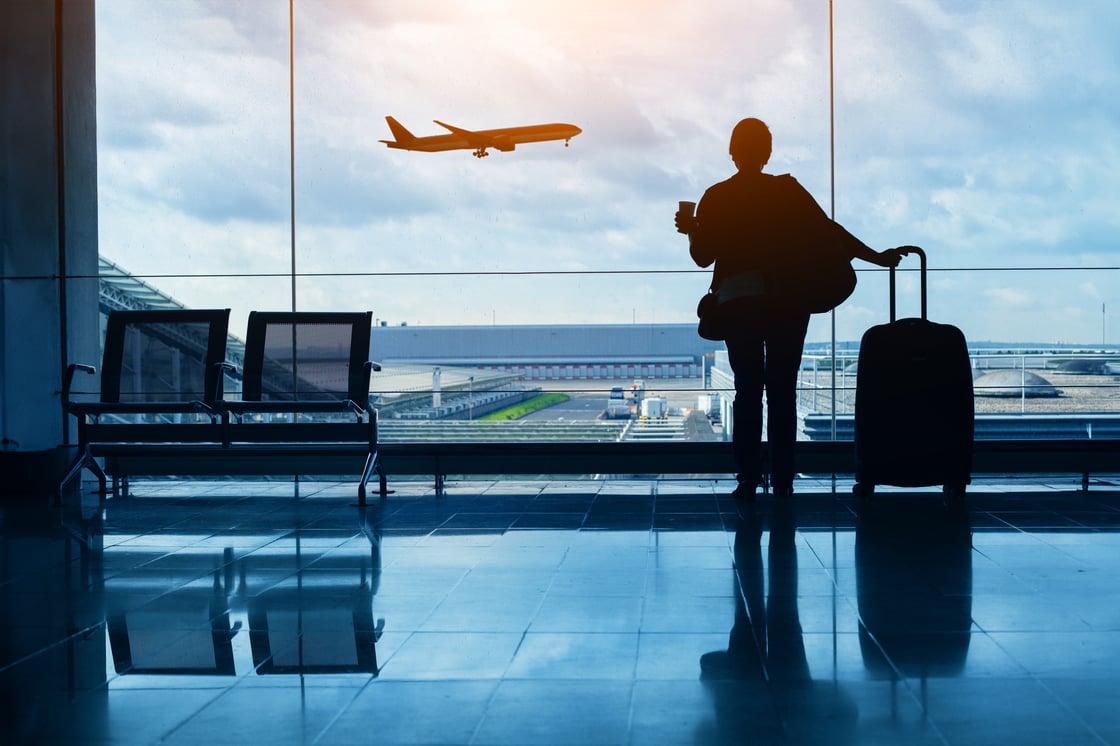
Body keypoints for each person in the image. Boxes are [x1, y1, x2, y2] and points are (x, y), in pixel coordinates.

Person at [676, 117, 901, 498]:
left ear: (732, 152)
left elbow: (701, 257)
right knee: (783, 391)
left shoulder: (716, 196)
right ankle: (783, 477)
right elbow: (829, 230)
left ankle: (747, 477)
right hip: (786, 303)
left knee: (748, 391)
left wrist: (693, 228)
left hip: (738, 304)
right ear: (767, 152)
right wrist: (874, 257)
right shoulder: (787, 191)